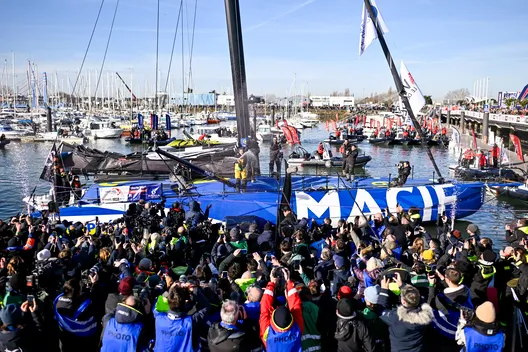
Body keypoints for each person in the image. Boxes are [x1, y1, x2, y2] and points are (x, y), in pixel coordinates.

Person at [379, 275, 434, 352]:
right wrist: (402, 286)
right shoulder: (426, 316)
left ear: (403, 302)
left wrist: (384, 290)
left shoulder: (396, 317)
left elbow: (380, 310)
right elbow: (417, 299)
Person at [259, 267, 304, 351]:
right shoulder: (297, 329)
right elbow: (296, 305)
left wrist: (272, 283)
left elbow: (264, 308)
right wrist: (288, 282)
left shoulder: (267, 333)